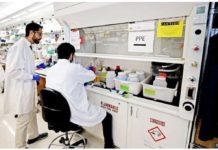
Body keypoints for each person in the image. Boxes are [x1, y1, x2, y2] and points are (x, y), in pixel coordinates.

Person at [46, 43, 115, 148]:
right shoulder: (74, 68)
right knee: (107, 117)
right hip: (71, 114)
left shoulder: (50, 71)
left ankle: (77, 127)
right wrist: (91, 69)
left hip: (54, 116)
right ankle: (109, 146)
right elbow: (91, 76)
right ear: (71, 55)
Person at [4, 22, 48, 148]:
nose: (41, 37)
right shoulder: (19, 47)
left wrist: (33, 73)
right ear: (31, 33)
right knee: (23, 118)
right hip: (22, 89)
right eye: (39, 34)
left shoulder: (27, 46)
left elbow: (24, 66)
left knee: (32, 112)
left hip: (28, 87)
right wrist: (31, 76)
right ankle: (20, 146)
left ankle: (33, 135)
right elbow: (13, 71)